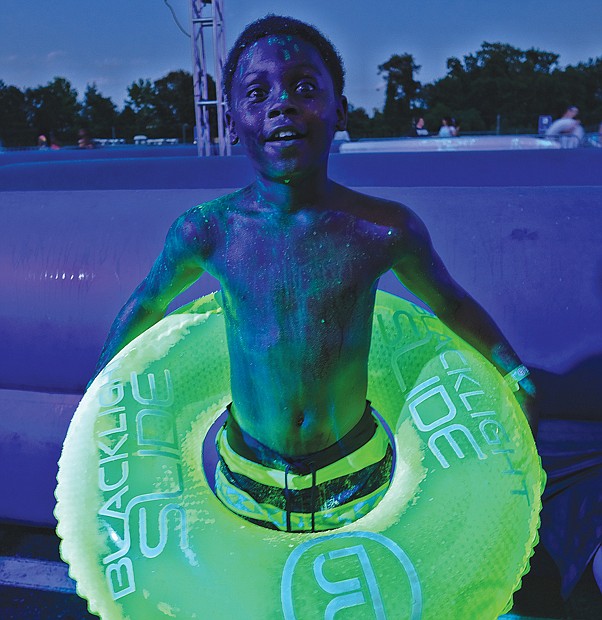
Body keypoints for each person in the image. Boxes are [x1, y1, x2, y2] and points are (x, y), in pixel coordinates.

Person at [91, 15, 537, 533]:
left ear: (340, 109)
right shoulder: (208, 232)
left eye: (304, 87)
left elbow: (450, 303)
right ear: (232, 122)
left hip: (357, 470)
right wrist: (97, 396)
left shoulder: (382, 229)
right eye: (256, 94)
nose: (281, 103)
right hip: (247, 475)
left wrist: (514, 373)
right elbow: (149, 302)